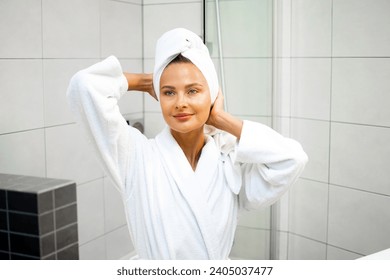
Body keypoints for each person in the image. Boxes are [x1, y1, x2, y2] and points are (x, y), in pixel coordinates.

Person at [66, 28, 308, 260]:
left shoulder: (227, 161)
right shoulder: (136, 158)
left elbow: (292, 159)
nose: (180, 102)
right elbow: (83, 86)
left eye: (193, 91)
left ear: (212, 95)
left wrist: (222, 119)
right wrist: (145, 80)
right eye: (169, 92)